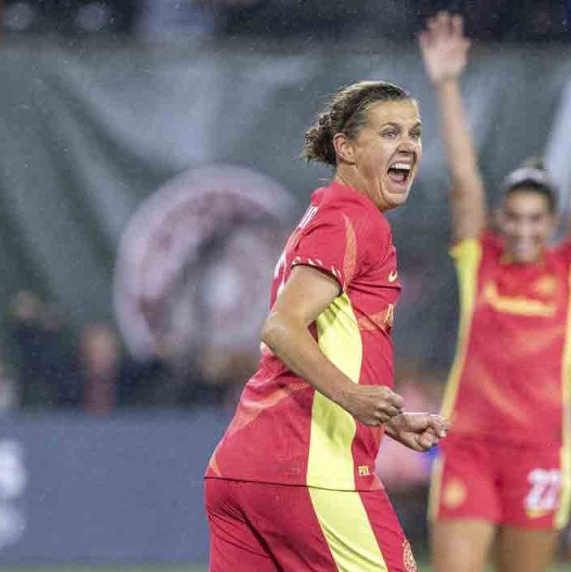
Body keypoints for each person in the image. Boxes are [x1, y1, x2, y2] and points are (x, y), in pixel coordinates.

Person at [204, 80, 448, 572]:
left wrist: (388, 419)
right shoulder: (354, 221)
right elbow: (281, 328)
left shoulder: (326, 213)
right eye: (389, 132)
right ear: (346, 147)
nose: (408, 146)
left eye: (415, 133)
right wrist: (355, 398)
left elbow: (313, 340)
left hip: (242, 469)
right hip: (310, 470)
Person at [419, 12, 571, 571]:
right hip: (467, 446)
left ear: (552, 222)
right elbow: (463, 178)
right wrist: (445, 84)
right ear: (498, 218)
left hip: (539, 452)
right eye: (513, 217)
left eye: (536, 219)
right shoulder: (478, 261)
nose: (523, 229)